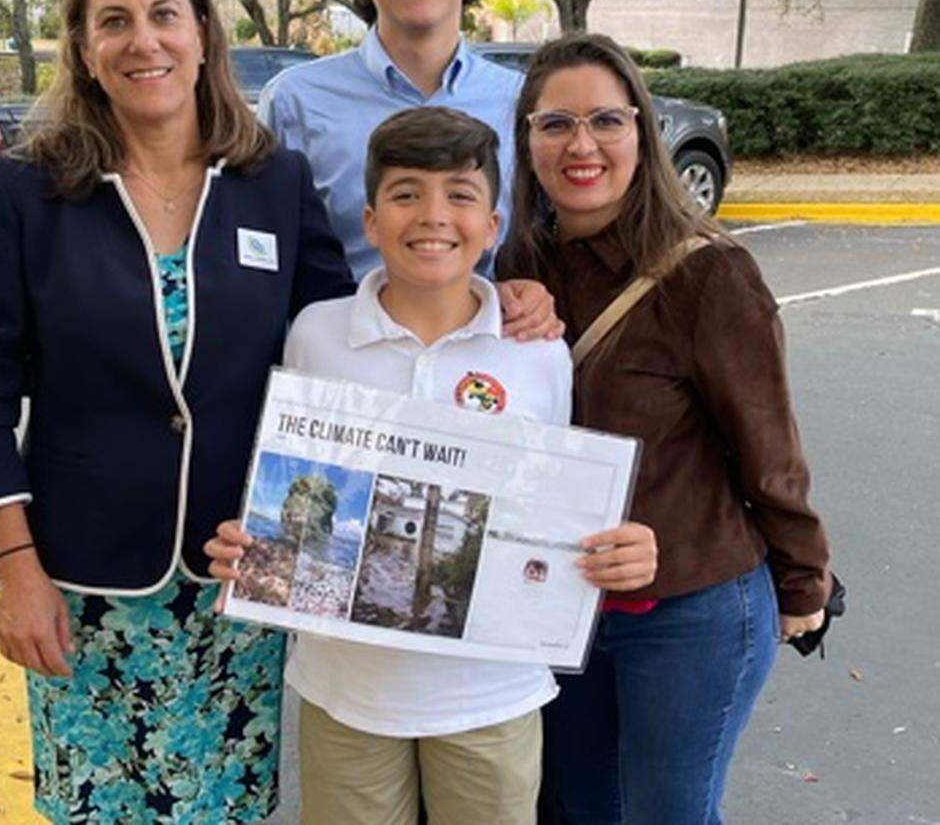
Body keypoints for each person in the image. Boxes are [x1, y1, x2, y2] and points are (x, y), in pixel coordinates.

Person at [0, 0, 353, 824]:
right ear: (85, 51)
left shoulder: (272, 184)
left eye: (166, 14)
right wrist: (16, 572)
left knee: (225, 808)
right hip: (81, 595)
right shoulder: (26, 191)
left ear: (203, 32)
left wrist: (492, 302)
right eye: (114, 21)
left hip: (239, 583)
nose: (144, 40)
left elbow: (339, 354)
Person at [206, 106, 657, 825]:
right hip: (346, 691)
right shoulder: (317, 334)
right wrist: (256, 543)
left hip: (492, 694)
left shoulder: (537, 353)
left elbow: (555, 512)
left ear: (494, 223)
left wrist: (615, 549)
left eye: (460, 194)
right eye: (406, 193)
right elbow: (293, 486)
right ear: (371, 220)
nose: (433, 215)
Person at [498, 33, 833, 825]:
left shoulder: (707, 273)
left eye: (606, 120)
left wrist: (803, 581)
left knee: (666, 814)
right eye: (555, 124)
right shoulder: (516, 269)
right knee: (580, 809)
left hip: (690, 607)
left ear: (642, 133)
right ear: (527, 141)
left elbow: (770, 451)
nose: (582, 144)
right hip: (561, 609)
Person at [258, 0, 525, 284]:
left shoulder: (521, 102)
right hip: (333, 344)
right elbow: (265, 253)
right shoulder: (295, 102)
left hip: (485, 343)